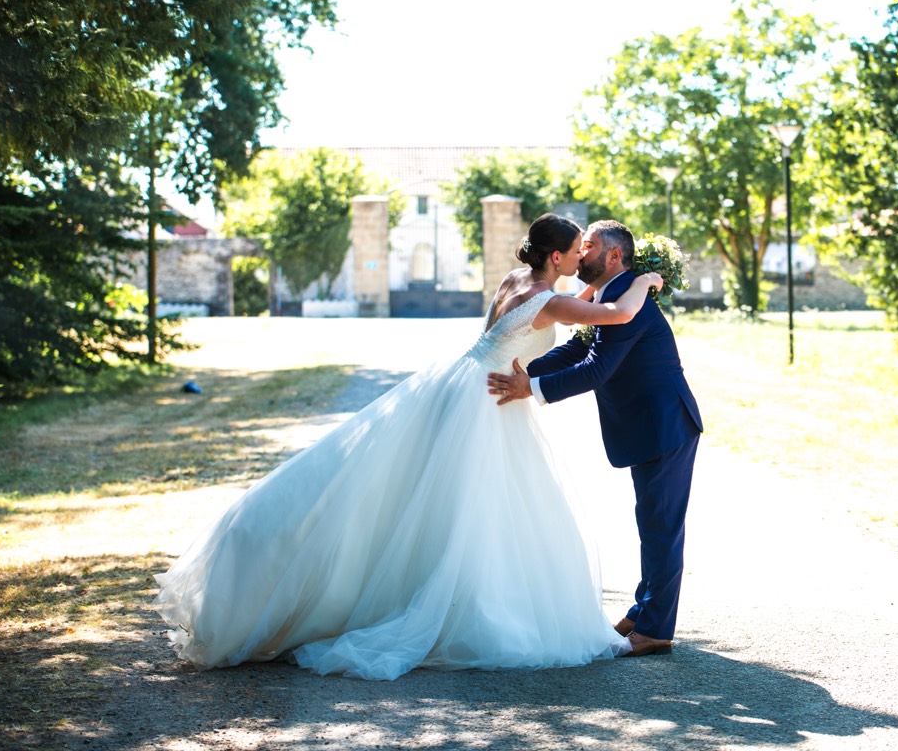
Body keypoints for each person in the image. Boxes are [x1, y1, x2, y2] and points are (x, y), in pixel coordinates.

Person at [151, 213, 664, 681]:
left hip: (464, 383)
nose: (583, 258)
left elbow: (580, 312)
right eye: (578, 250)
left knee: (435, 499)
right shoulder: (550, 300)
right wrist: (645, 279)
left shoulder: (516, 282)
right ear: (557, 257)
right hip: (488, 402)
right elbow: (618, 315)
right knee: (474, 508)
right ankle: (463, 607)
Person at [487, 220, 702, 658]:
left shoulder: (630, 301)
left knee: (661, 528)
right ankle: (644, 613)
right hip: (647, 424)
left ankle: (656, 629)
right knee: (652, 524)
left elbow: (596, 370)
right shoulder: (614, 294)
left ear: (614, 256)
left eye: (588, 247)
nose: (580, 254)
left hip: (664, 425)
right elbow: (578, 350)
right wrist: (528, 369)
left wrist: (532, 389)